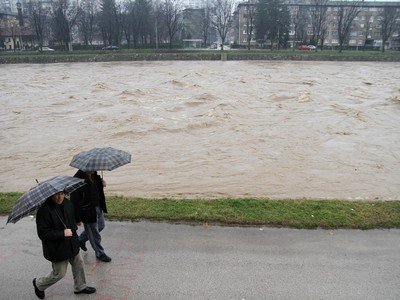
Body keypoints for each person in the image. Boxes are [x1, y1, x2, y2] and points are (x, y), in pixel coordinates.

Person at [33, 191, 96, 299]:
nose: (59, 197)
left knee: (79, 263)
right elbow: (43, 234)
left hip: (72, 243)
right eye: (56, 194)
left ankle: (80, 287)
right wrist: (62, 233)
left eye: (62, 194)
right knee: (59, 274)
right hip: (57, 248)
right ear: (51, 195)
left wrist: (76, 222)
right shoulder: (44, 210)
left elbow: (71, 219)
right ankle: (39, 284)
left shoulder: (67, 203)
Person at [70, 170, 111, 262]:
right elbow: (74, 201)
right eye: (92, 167)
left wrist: (101, 183)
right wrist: (77, 218)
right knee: (94, 234)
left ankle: (81, 239)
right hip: (87, 211)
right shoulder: (77, 180)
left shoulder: (94, 175)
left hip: (97, 207)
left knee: (101, 226)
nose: (94, 168)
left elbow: (95, 189)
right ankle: (100, 253)